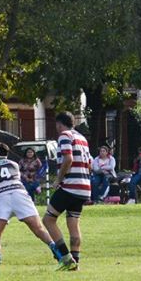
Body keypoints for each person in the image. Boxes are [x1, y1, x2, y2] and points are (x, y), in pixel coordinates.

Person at [0, 143, 63, 264]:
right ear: (7, 154)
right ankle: (55, 248)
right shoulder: (14, 165)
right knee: (39, 229)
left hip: (1, 197)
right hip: (20, 194)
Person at [42, 111, 89, 270]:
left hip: (70, 185)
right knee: (73, 224)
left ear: (60, 124)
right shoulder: (82, 138)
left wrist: (58, 179)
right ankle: (75, 262)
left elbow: (68, 159)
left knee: (48, 220)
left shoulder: (64, 135)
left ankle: (66, 258)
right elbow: (88, 163)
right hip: (84, 187)